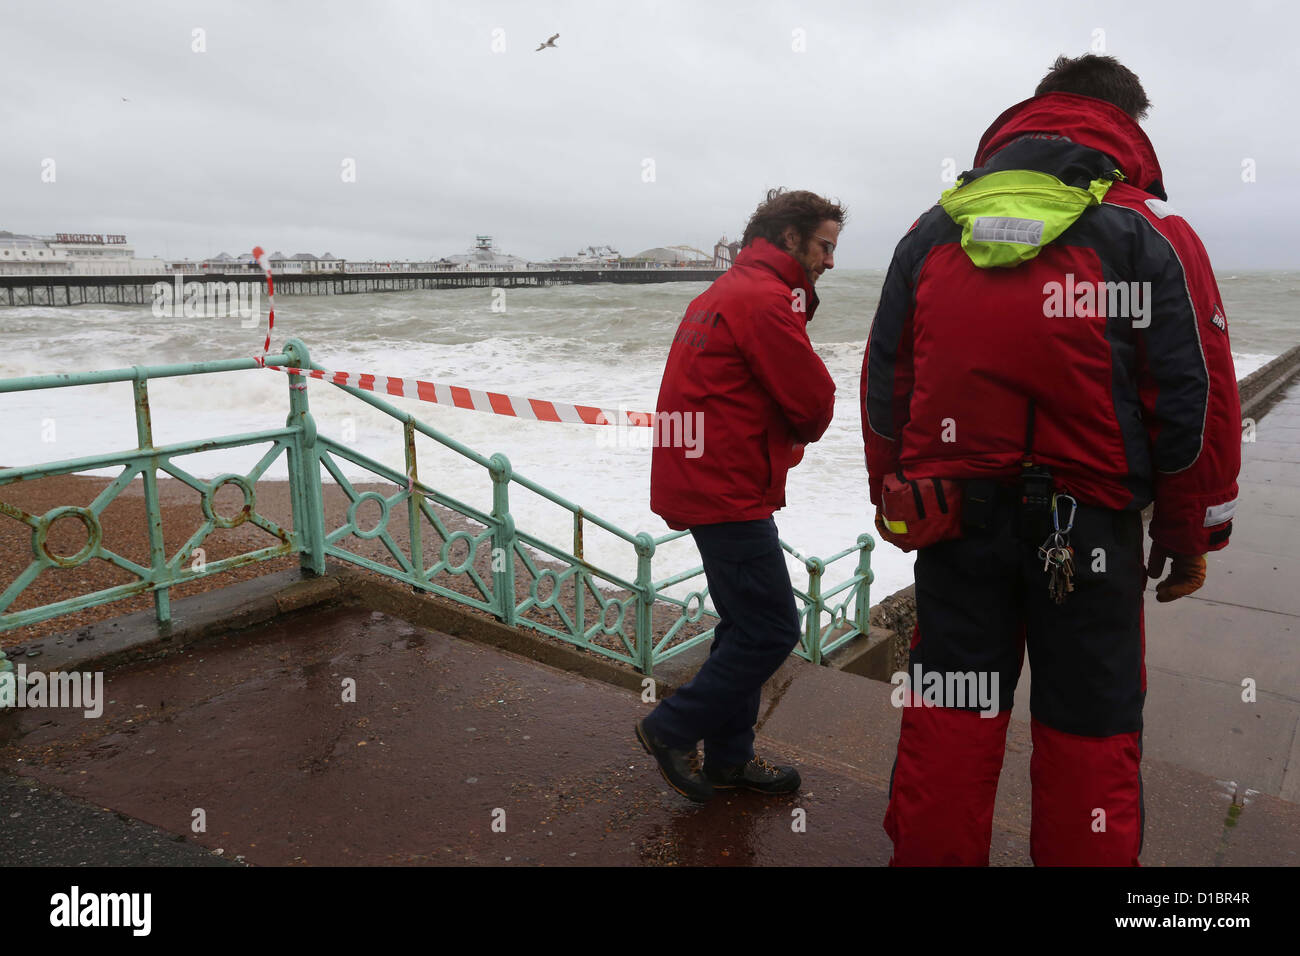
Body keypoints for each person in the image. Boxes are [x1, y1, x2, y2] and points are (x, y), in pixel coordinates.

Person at [861, 55, 1240, 865]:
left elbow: (886, 384)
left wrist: (891, 497)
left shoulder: (932, 231)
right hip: (1091, 536)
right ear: (1127, 123)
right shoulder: (1151, 232)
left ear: (1033, 115)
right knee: (1089, 733)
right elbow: (1192, 396)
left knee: (949, 717)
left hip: (951, 524)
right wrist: (1189, 533)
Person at [636, 188, 843, 802]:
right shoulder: (763, 299)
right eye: (825, 246)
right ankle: (670, 728)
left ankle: (730, 758)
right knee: (774, 628)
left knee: (744, 622)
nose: (830, 260)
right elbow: (812, 404)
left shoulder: (726, 290)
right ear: (789, 238)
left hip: (707, 477)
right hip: (725, 488)